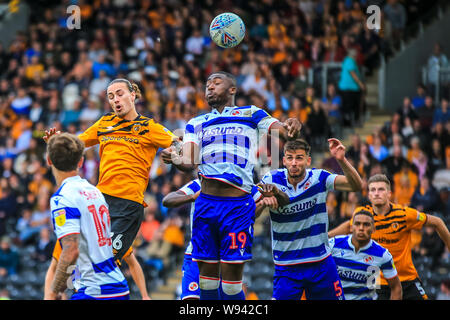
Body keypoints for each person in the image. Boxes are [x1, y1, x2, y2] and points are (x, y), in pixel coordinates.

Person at [161, 71, 301, 300]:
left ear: (232, 89)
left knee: (232, 285)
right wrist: (175, 159)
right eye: (207, 84)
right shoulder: (195, 123)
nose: (210, 87)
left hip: (237, 206)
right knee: (207, 282)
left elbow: (284, 131)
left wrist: (291, 125)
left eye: (216, 83)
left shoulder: (252, 113)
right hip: (206, 204)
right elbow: (188, 163)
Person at [43, 78, 178, 296]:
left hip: (128, 205)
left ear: (133, 95)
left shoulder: (148, 127)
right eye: (111, 96)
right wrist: (60, 140)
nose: (115, 99)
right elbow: (76, 144)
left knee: (103, 260)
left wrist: (176, 154)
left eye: (120, 93)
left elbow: (177, 143)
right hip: (100, 202)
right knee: (84, 258)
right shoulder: (104, 123)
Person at [256, 138, 363, 300]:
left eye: (299, 158)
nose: (294, 163)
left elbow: (355, 185)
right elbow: (251, 213)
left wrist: (341, 160)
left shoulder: (319, 178)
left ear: (308, 160)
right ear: (284, 160)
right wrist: (263, 203)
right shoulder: (271, 180)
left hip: (321, 264)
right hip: (286, 268)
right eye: (290, 158)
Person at [329, 173, 450, 300]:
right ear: (369, 195)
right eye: (373, 190)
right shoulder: (363, 215)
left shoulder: (404, 214)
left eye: (381, 189)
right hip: (375, 281)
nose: (377, 193)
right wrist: (325, 237)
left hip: (406, 278)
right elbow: (349, 226)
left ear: (389, 193)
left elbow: (437, 222)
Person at [45, 133, 129, 300]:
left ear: (49, 161)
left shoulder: (62, 198)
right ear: (81, 161)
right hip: (118, 287)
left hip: (95, 291)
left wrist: (53, 292)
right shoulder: (94, 191)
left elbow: (71, 250)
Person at [162, 179, 264, 300]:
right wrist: (192, 197)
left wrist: (263, 203)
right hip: (196, 253)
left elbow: (260, 201)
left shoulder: (241, 181)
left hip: (226, 257)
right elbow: (167, 200)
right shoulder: (199, 184)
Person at [329, 210, 402, 300]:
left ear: (373, 229)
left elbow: (396, 288)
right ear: (351, 228)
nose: (361, 228)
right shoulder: (333, 244)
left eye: (366, 225)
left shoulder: (382, 255)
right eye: (357, 224)